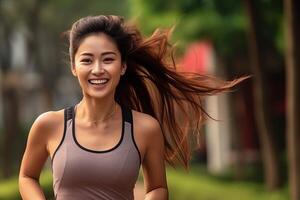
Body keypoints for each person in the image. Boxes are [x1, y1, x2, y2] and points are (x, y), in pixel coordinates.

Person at [18, 15, 246, 200]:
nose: (98, 69)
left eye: (108, 59)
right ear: (74, 68)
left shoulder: (144, 128)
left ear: (123, 66)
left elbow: (157, 188)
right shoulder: (49, 125)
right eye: (87, 60)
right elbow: (27, 176)